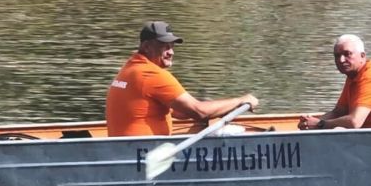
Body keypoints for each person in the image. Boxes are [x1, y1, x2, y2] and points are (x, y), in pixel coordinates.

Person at [106, 20, 259, 137]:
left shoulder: (130, 68)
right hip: (143, 153)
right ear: (146, 47)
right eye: (164, 46)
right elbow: (199, 112)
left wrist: (219, 108)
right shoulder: (152, 75)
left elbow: (178, 112)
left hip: (126, 149)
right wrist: (241, 101)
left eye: (172, 46)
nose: (171, 52)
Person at [298, 34, 371, 130]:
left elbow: (354, 122)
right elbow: (339, 111)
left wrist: (320, 124)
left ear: (362, 56)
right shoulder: (354, 76)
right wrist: (310, 122)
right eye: (337, 56)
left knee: (338, 130)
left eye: (347, 54)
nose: (341, 60)